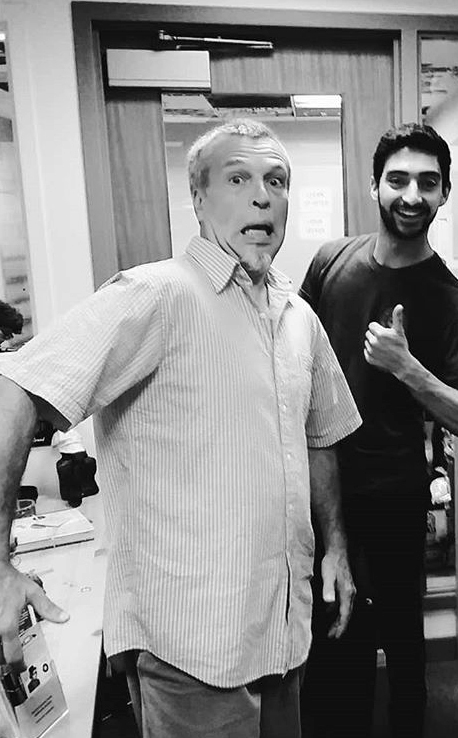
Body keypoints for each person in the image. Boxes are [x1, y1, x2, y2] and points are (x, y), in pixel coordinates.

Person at [0, 119, 362, 738]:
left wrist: (335, 548)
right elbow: (15, 392)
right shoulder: (154, 295)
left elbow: (319, 435)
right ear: (197, 198)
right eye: (238, 178)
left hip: (283, 630)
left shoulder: (298, 316)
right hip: (190, 649)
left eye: (276, 180)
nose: (262, 196)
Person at [299, 123, 458, 738]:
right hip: (318, 486)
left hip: (392, 496)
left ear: (443, 196)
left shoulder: (450, 301)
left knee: (403, 641)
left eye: (428, 183)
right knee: (333, 636)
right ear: (375, 185)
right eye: (399, 180)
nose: (412, 195)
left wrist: (408, 369)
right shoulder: (331, 260)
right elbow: (294, 352)